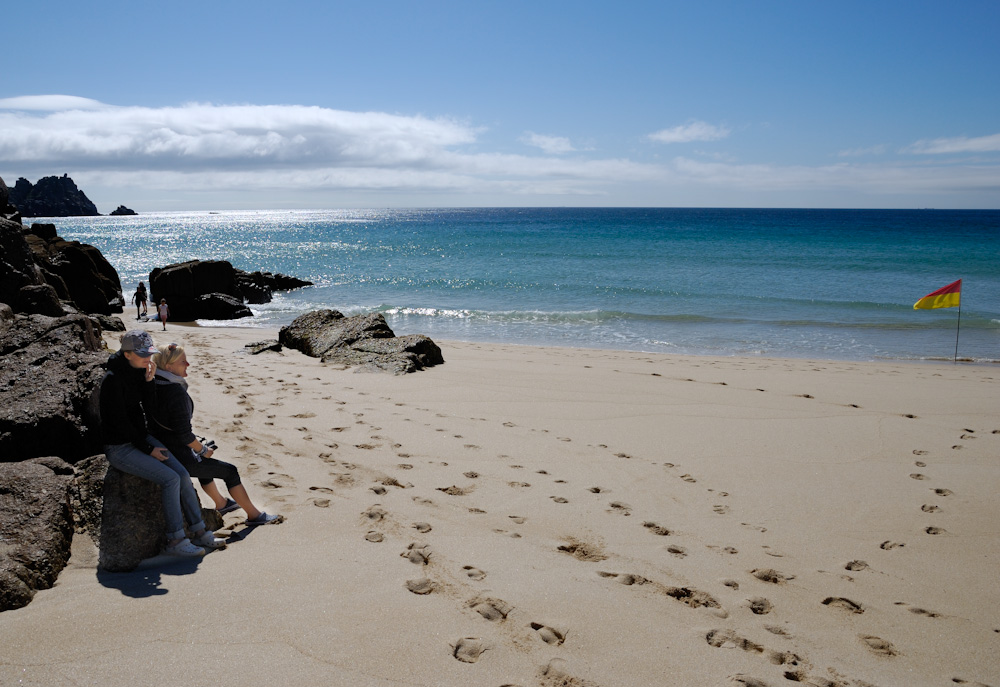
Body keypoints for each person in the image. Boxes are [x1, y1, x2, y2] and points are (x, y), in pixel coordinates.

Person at [99, 330, 226, 556]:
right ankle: (176, 540)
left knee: (183, 476)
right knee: (170, 479)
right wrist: (149, 449)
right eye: (143, 355)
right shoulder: (112, 380)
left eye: (150, 353)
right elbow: (119, 423)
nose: (149, 359)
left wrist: (148, 382)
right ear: (127, 354)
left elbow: (149, 410)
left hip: (140, 438)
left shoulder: (139, 371)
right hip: (120, 446)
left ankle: (200, 532)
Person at [149, 342, 284, 527]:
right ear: (169, 367)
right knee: (230, 471)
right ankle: (254, 515)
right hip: (178, 457)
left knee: (205, 462)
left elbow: (171, 426)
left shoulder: (153, 384)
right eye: (183, 361)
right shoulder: (175, 392)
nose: (188, 364)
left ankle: (222, 504)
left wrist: (198, 447)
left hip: (166, 448)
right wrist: (201, 449)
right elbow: (184, 434)